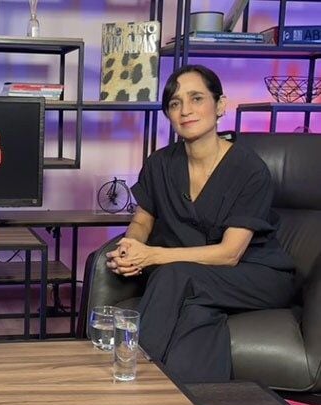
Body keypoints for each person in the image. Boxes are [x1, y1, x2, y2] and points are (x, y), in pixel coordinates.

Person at [105, 64, 295, 383]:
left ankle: (131, 372)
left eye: (197, 98)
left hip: (254, 275)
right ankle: (195, 402)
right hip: (196, 278)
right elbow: (142, 220)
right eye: (175, 103)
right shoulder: (159, 164)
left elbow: (229, 254)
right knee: (194, 311)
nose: (185, 110)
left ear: (220, 105)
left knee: (174, 274)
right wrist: (131, 245)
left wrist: (152, 255)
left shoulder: (249, 170)